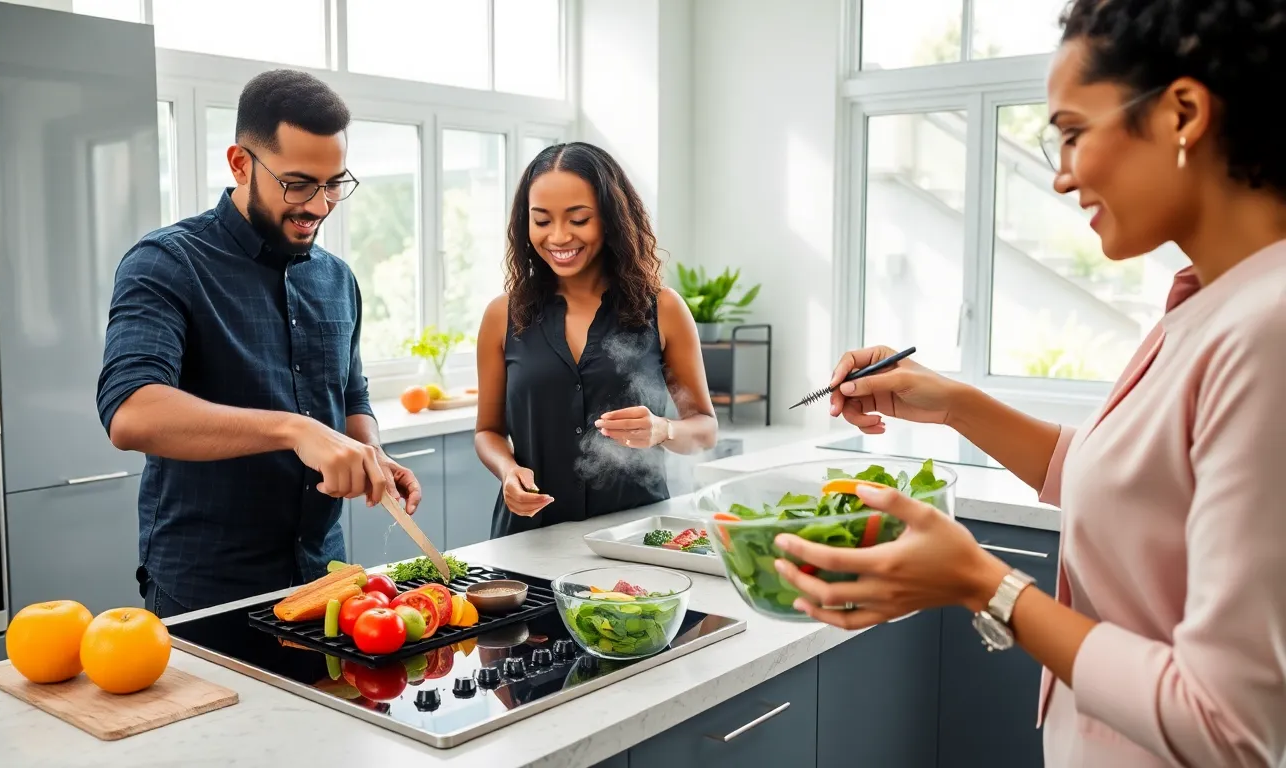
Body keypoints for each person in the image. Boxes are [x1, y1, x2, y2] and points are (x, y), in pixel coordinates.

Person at [775, 2, 1286, 765]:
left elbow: (1228, 724)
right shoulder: (1211, 302)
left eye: (1074, 132)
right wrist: (951, 402)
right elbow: (1131, 481)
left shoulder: (1266, 328)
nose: (1060, 174)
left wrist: (983, 583)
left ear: (1183, 112)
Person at [96, 69, 421, 619]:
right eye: (298, 183)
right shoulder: (166, 263)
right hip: (204, 590)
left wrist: (369, 453)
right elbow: (130, 413)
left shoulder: (337, 279)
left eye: (334, 183)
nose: (319, 205)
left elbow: (351, 397)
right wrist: (294, 429)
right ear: (241, 163)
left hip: (326, 585)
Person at [474, 142, 717, 538]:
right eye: (542, 220)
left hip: (635, 536)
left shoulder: (664, 309)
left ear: (611, 218)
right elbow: (488, 431)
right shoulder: (502, 315)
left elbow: (704, 427)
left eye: (578, 219)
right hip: (531, 536)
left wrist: (663, 430)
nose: (558, 236)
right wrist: (508, 470)